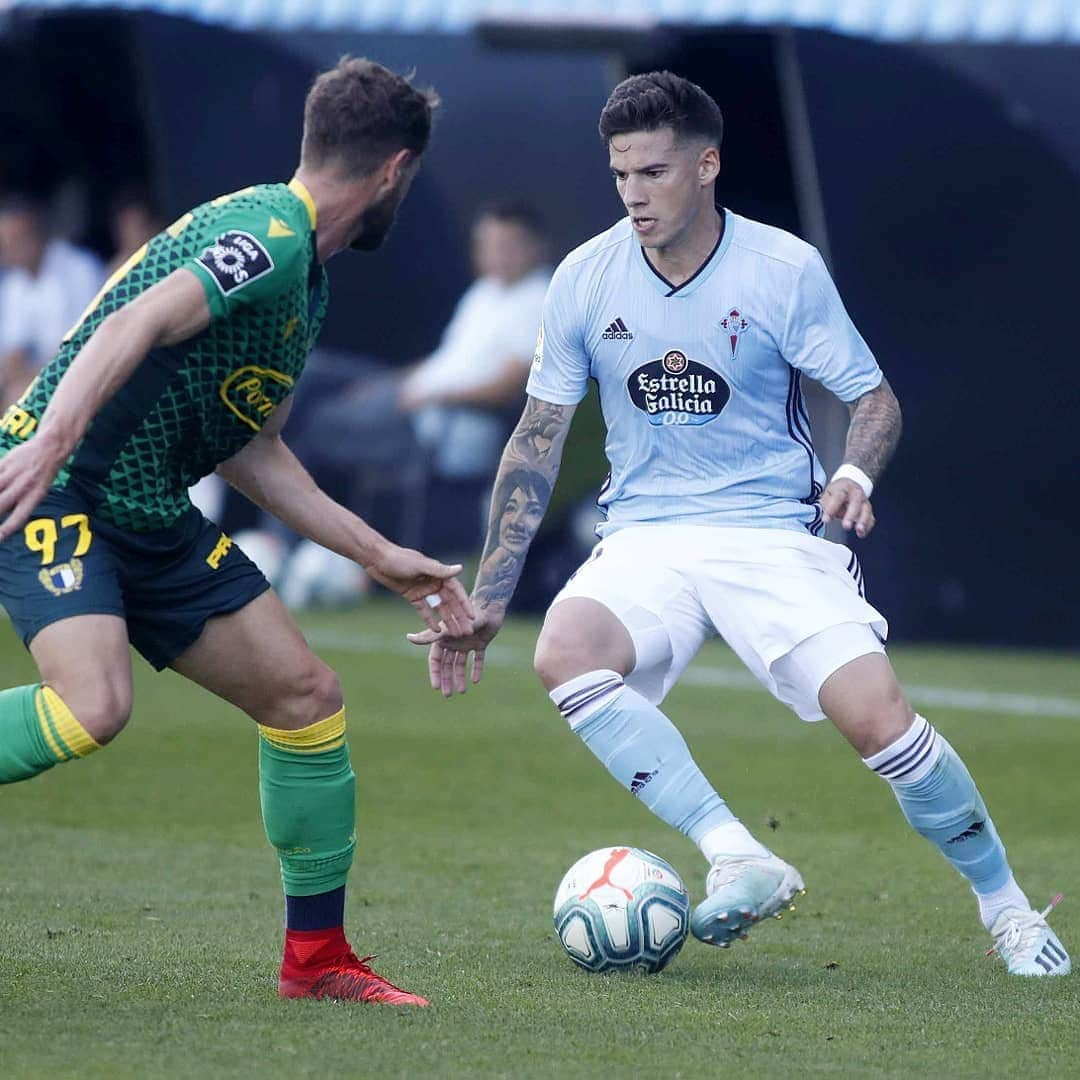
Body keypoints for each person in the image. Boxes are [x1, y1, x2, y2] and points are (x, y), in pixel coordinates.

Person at [412, 71, 1069, 977]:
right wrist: (489, 593)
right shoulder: (584, 277)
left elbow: (874, 401)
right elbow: (537, 438)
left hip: (768, 531)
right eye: (619, 175)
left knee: (882, 723)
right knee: (564, 653)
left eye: (654, 172)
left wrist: (851, 472)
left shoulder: (782, 269)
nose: (634, 194)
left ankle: (1006, 909)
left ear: (708, 165)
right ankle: (739, 852)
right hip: (645, 533)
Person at [0, 57, 475, 1006]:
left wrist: (380, 556)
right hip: (63, 492)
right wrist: (51, 437)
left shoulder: (307, 281)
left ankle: (317, 961)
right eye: (408, 182)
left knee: (306, 697)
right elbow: (135, 320)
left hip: (146, 511)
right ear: (394, 172)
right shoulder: (269, 237)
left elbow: (252, 449)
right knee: (93, 705)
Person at [289, 203, 550, 527]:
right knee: (312, 370)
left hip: (435, 422)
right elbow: (445, 361)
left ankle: (288, 536)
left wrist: (431, 396)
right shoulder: (484, 292)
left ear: (537, 247)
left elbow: (509, 389)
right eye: (487, 246)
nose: (496, 256)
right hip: (411, 395)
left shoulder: (540, 300)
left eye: (507, 246)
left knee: (309, 425)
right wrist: (387, 383)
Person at [0, 196, 104, 406]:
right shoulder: (13, 283)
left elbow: (82, 343)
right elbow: (13, 350)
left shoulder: (79, 267)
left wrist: (29, 376)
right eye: (4, 243)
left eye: (14, 240)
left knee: (18, 396)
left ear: (36, 235)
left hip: (87, 371)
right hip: (37, 380)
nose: (7, 250)